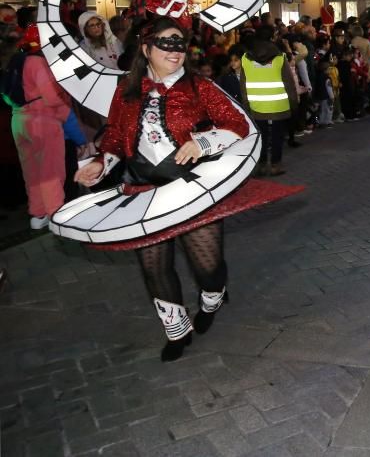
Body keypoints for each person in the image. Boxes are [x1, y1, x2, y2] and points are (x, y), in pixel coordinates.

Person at [73, 18, 252, 361]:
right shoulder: (126, 91)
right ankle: (176, 329)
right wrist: (101, 163)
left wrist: (203, 142)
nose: (176, 50)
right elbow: (113, 136)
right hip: (142, 191)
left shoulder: (200, 87)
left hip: (192, 191)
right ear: (145, 49)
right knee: (154, 266)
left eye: (180, 43)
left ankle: (213, 295)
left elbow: (236, 123)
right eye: (166, 43)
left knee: (207, 267)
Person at [5, 25, 71, 230]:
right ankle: (56, 214)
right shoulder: (37, 62)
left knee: (31, 171)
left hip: (18, 119)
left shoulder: (10, 62)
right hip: (43, 120)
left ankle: (37, 213)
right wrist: (66, 111)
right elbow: (52, 96)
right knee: (51, 171)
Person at [240, 26, 298, 176]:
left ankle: (260, 165)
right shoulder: (280, 58)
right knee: (277, 136)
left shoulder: (245, 58)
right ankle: (275, 165)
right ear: (272, 38)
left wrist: (246, 105)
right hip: (278, 105)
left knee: (261, 136)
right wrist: (294, 103)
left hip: (256, 105)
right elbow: (289, 83)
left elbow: (243, 84)